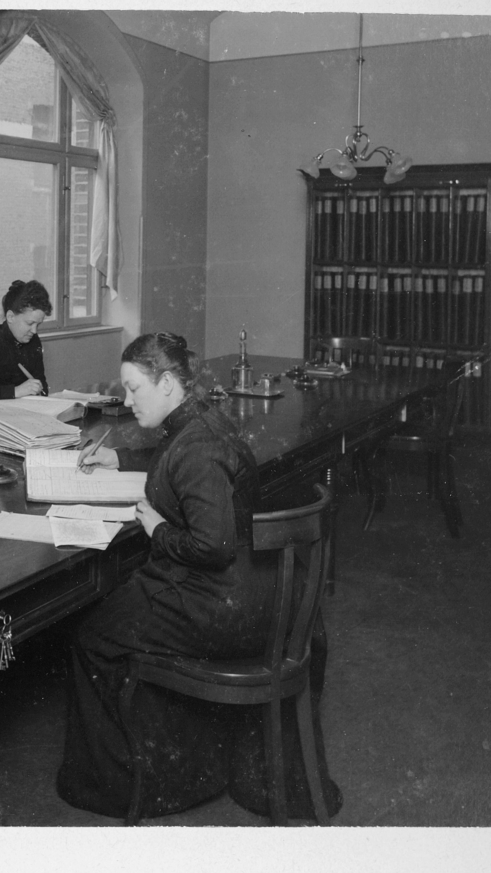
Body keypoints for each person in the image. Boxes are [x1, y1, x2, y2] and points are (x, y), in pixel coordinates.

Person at [56, 331, 342, 821]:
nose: (128, 401)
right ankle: (187, 764)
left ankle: (131, 785)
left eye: (134, 389)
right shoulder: (204, 420)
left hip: (224, 602)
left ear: (167, 384)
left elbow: (212, 546)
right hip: (262, 591)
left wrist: (159, 530)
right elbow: (177, 462)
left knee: (92, 638)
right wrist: (119, 458)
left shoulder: (196, 449)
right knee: (120, 612)